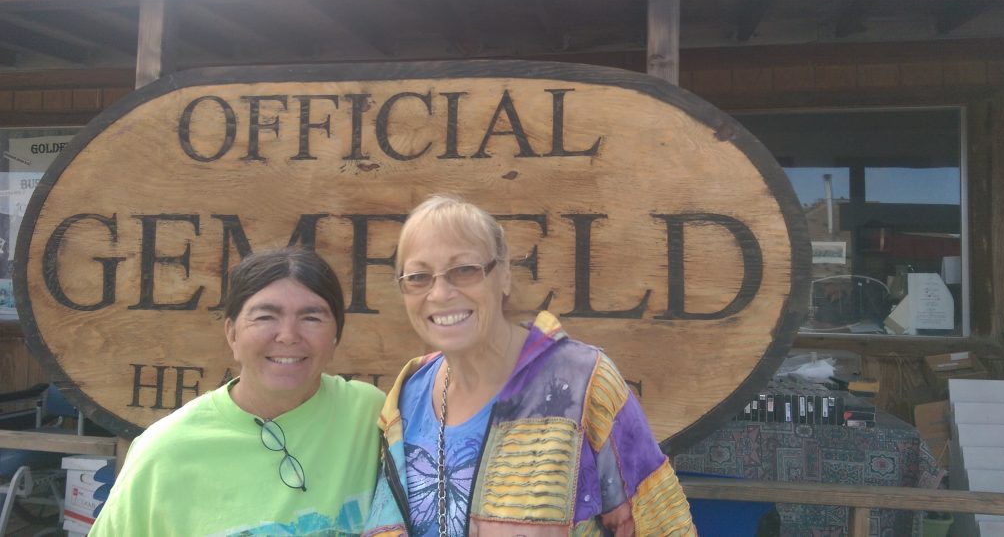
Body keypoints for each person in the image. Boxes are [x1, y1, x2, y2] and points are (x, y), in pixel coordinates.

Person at [362, 195, 696, 536]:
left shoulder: (583, 382)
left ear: (504, 274)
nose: (440, 293)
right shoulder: (407, 396)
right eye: (419, 276)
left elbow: (663, 526)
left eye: (464, 270)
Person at [91, 247, 385, 536]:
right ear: (232, 334)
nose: (288, 336)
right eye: (265, 317)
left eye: (311, 318)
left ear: (335, 336)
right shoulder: (165, 452)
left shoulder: (369, 414)